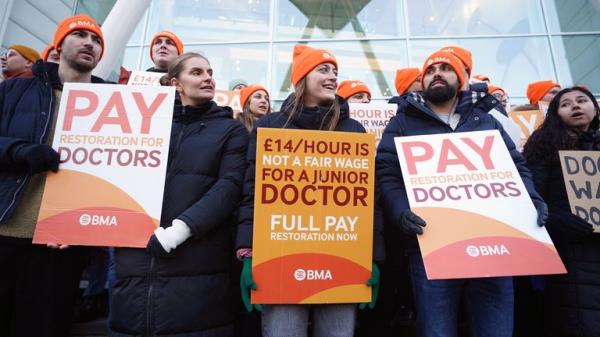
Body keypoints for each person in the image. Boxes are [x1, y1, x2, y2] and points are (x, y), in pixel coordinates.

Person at [376, 50, 548, 337]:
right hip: (431, 244)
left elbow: (516, 166)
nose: (437, 74)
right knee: (436, 331)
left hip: (493, 244)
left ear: (463, 78)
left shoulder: (486, 119)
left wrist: (531, 199)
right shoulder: (402, 123)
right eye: (430, 71)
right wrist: (401, 210)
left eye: (446, 68)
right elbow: (388, 174)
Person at [236, 44, 384, 337]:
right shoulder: (270, 126)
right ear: (302, 77)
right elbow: (253, 191)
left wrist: (372, 257)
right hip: (280, 260)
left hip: (341, 261)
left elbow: (370, 200)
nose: (332, 77)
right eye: (323, 69)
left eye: (335, 72)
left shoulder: (353, 129)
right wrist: (249, 252)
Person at [109, 52, 248, 337]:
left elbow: (230, 185)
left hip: (198, 257)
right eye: (197, 72)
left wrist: (181, 229)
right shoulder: (141, 125)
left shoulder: (230, 129)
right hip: (135, 257)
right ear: (176, 83)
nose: (208, 77)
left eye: (210, 72)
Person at [0, 14, 105, 337]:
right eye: (80, 36)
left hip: (64, 242)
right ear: (59, 45)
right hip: (7, 230)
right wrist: (19, 150)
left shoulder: (114, 103)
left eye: (97, 40)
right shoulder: (17, 90)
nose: (89, 43)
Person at [522, 86, 599, 337]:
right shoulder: (544, 145)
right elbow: (531, 197)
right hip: (570, 251)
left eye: (581, 100)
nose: (575, 106)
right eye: (565, 104)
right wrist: (556, 219)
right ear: (555, 114)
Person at [118, 30, 183, 84]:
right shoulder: (129, 78)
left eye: (169, 43)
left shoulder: (185, 82)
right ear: (152, 53)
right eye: (158, 42)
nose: (162, 45)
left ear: (179, 55)